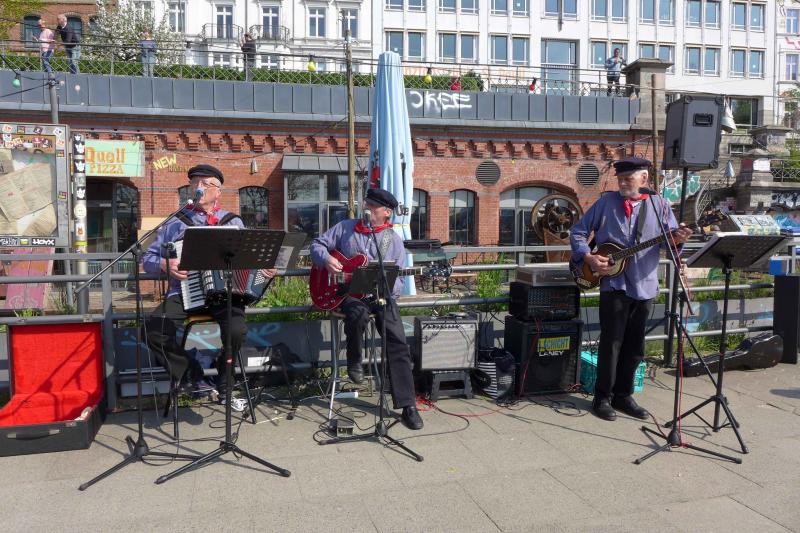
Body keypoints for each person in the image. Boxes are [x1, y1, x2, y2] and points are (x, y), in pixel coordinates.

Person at [570, 157, 692, 421]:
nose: (623, 183)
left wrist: (678, 240)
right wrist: (589, 257)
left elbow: (668, 245)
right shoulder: (605, 203)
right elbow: (578, 232)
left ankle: (623, 396)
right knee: (611, 344)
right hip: (614, 284)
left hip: (644, 284)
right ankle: (602, 397)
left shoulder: (660, 205)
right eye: (620, 179)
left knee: (635, 347)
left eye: (629, 178)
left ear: (644, 178)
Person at [142, 164, 276, 397]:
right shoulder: (175, 223)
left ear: (218, 191)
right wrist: (165, 264)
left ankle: (226, 375)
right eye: (194, 183)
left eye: (205, 183)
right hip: (184, 292)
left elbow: (249, 261)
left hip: (226, 293)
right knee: (153, 330)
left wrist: (263, 270)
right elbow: (148, 258)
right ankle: (190, 372)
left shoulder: (233, 222)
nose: (198, 187)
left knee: (235, 330)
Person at [310, 188, 423, 431]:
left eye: (373, 206)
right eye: (367, 203)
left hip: (381, 296)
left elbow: (398, 279)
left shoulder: (393, 240)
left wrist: (386, 289)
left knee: (398, 341)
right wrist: (327, 260)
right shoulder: (345, 228)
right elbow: (317, 244)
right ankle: (354, 360)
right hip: (348, 294)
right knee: (357, 313)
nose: (367, 208)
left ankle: (408, 405)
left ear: (387, 212)